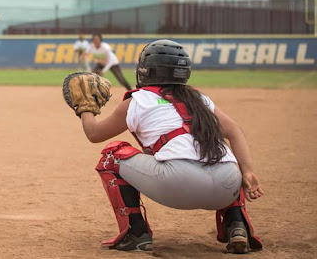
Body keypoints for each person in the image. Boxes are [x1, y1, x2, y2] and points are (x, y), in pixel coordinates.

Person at [65, 40, 263, 253]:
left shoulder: (138, 101)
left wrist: (85, 108)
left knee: (111, 156)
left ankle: (136, 233)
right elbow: (235, 131)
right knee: (216, 145)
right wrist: (248, 171)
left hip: (178, 183)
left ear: (146, 70)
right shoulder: (199, 99)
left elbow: (94, 134)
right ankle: (237, 225)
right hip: (229, 186)